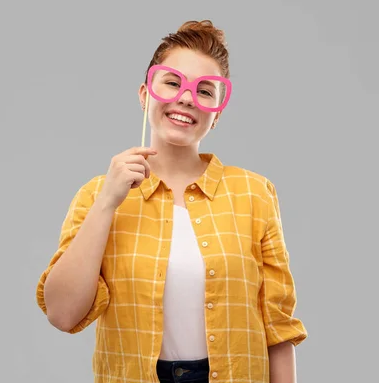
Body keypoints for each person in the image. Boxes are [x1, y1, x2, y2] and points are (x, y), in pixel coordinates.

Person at [36, 20, 308, 383]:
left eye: (205, 91)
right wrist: (107, 203)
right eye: (172, 82)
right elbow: (63, 314)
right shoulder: (97, 195)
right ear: (145, 93)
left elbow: (278, 326)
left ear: (217, 113)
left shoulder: (254, 194)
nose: (185, 98)